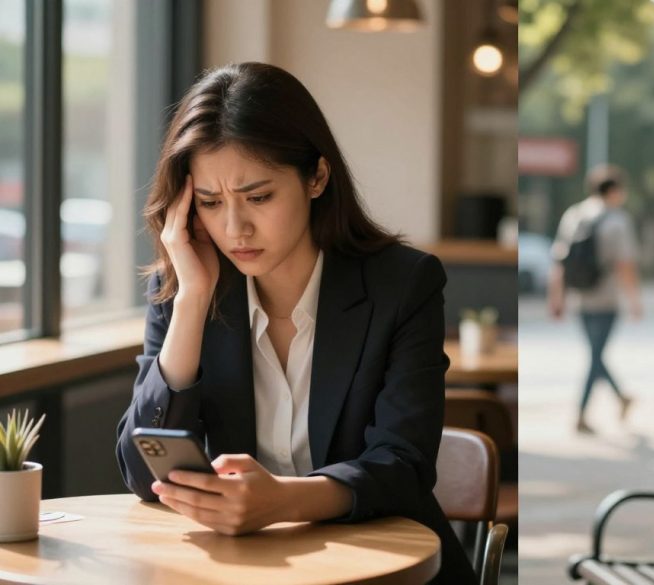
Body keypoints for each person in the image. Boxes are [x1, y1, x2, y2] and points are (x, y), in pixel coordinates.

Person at [114, 62, 476, 584]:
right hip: (244, 569)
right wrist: (192, 300)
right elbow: (143, 472)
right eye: (211, 203)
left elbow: (404, 465)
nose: (235, 228)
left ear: (317, 178)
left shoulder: (403, 285)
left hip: (384, 568)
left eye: (259, 197)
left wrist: (284, 500)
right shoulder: (182, 287)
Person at [548, 165, 642, 434]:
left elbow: (560, 262)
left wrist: (557, 298)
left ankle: (621, 398)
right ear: (613, 191)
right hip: (606, 300)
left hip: (579, 298)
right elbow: (625, 266)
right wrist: (635, 301)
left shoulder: (573, 215)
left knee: (595, 354)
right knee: (596, 356)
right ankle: (581, 415)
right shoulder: (617, 220)